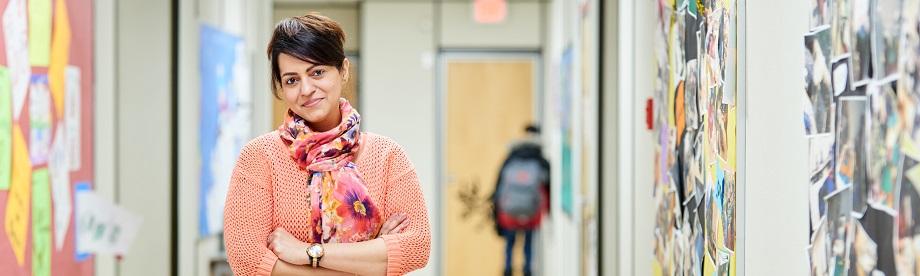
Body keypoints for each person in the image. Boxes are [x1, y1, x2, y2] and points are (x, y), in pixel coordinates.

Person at [223, 13, 430, 276]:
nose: (306, 89)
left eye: (317, 72)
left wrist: (305, 253)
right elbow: (247, 261)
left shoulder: (387, 155)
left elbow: (417, 248)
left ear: (343, 70)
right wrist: (372, 260)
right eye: (292, 80)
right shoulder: (259, 157)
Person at [491, 124, 550, 276]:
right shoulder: (540, 160)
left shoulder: (510, 159)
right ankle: (527, 269)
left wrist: (495, 212)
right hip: (532, 212)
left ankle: (508, 268)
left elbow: (498, 188)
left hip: (509, 212)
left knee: (510, 243)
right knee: (528, 244)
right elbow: (548, 186)